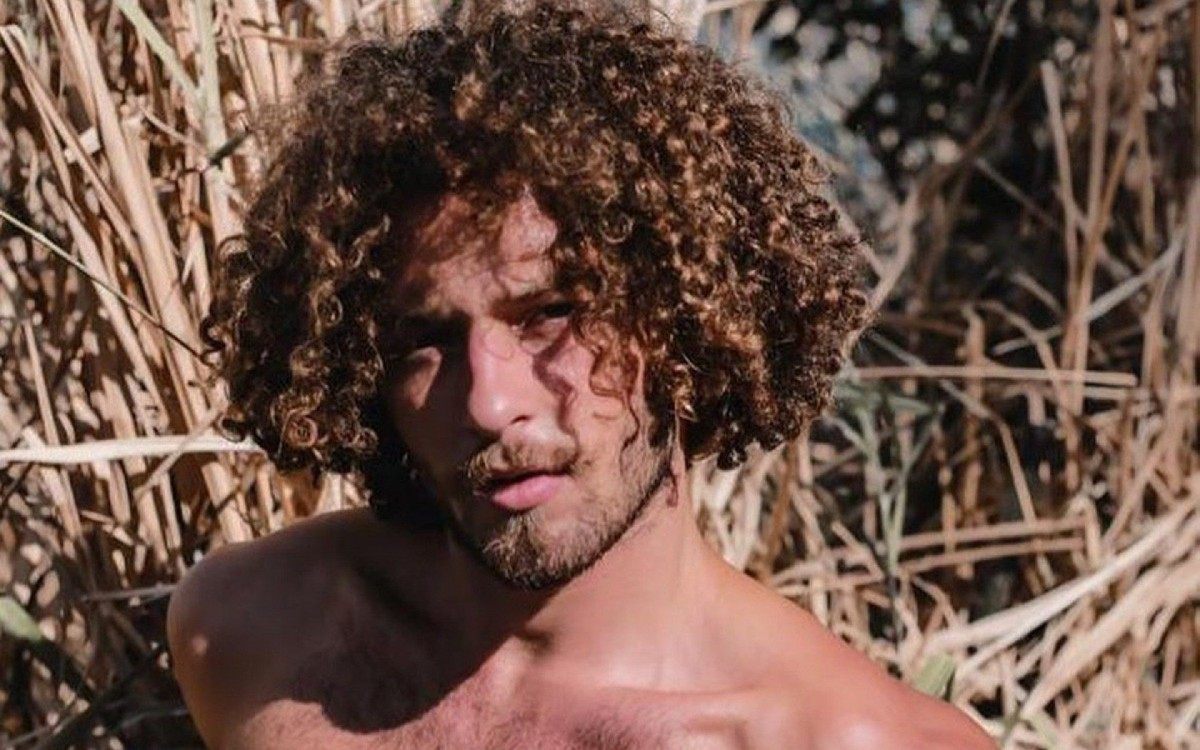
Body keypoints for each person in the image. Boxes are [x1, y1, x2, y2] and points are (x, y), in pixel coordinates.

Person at [168, 1, 995, 747]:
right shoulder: (254, 634)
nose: (492, 403)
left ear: (688, 313)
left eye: (551, 314)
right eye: (424, 340)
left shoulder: (843, 738)